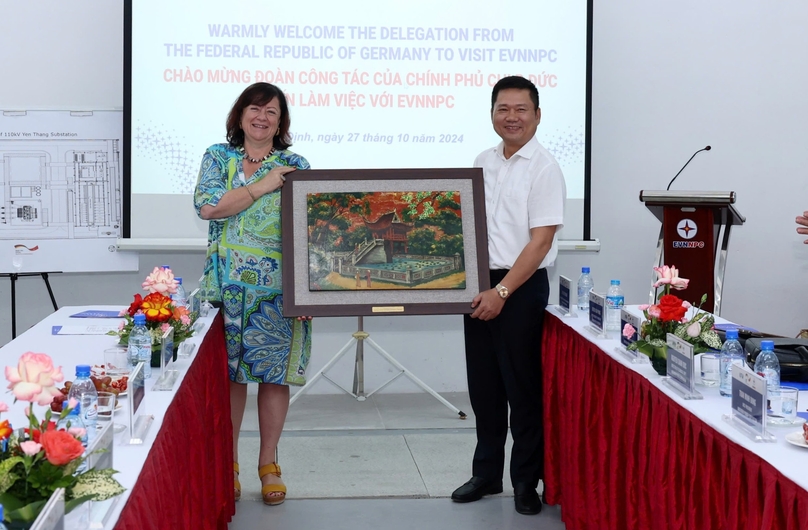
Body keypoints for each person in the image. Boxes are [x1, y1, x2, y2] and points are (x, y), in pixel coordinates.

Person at [451, 76, 566, 515]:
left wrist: (501, 290)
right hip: (479, 284)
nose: (511, 117)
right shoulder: (483, 160)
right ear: (492, 113)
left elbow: (539, 243)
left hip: (518, 287)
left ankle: (525, 482)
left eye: (521, 109)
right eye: (503, 108)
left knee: (522, 389)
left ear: (537, 115)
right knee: (484, 388)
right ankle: (485, 474)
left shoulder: (545, 168)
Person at [194, 82, 312, 506]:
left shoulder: (295, 164)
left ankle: (268, 464)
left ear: (281, 123)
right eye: (255, 108)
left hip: (278, 294)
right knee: (229, 379)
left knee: (273, 378)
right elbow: (209, 208)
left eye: (272, 112)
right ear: (240, 114)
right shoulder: (217, 157)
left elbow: (307, 229)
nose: (262, 117)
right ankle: (229, 464)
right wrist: (262, 185)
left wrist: (309, 292)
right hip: (224, 291)